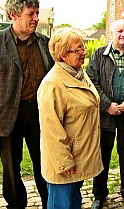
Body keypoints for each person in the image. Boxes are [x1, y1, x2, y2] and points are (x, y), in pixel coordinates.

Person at [0, 0, 53, 208]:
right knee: (11, 167)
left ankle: (49, 202)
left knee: (44, 162)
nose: (36, 18)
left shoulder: (45, 43)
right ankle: (16, 204)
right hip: (6, 116)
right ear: (13, 14)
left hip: (40, 114)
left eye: (37, 13)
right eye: (31, 13)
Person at [37, 28, 103, 209]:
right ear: (63, 55)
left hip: (78, 157)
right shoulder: (53, 84)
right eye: (78, 50)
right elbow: (51, 129)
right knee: (61, 204)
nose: (84, 52)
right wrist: (64, 162)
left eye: (83, 47)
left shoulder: (78, 73)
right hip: (65, 162)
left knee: (74, 202)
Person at [86, 19, 124, 208]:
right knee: (102, 156)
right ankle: (99, 194)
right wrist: (107, 105)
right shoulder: (99, 56)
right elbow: (91, 82)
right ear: (112, 32)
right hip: (105, 115)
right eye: (120, 31)